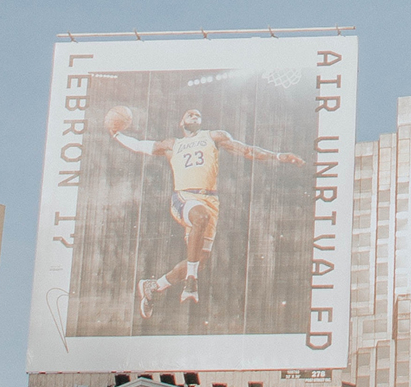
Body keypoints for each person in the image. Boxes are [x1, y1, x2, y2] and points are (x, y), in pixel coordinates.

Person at [106, 106, 304, 319]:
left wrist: (278, 156)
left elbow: (247, 150)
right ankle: (191, 280)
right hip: (184, 197)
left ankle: (154, 286)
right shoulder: (173, 144)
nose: (194, 115)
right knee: (200, 218)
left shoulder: (214, 136)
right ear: (181, 122)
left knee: (201, 260)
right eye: (189, 114)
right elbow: (140, 145)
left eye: (198, 114)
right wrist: (117, 135)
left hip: (210, 200)